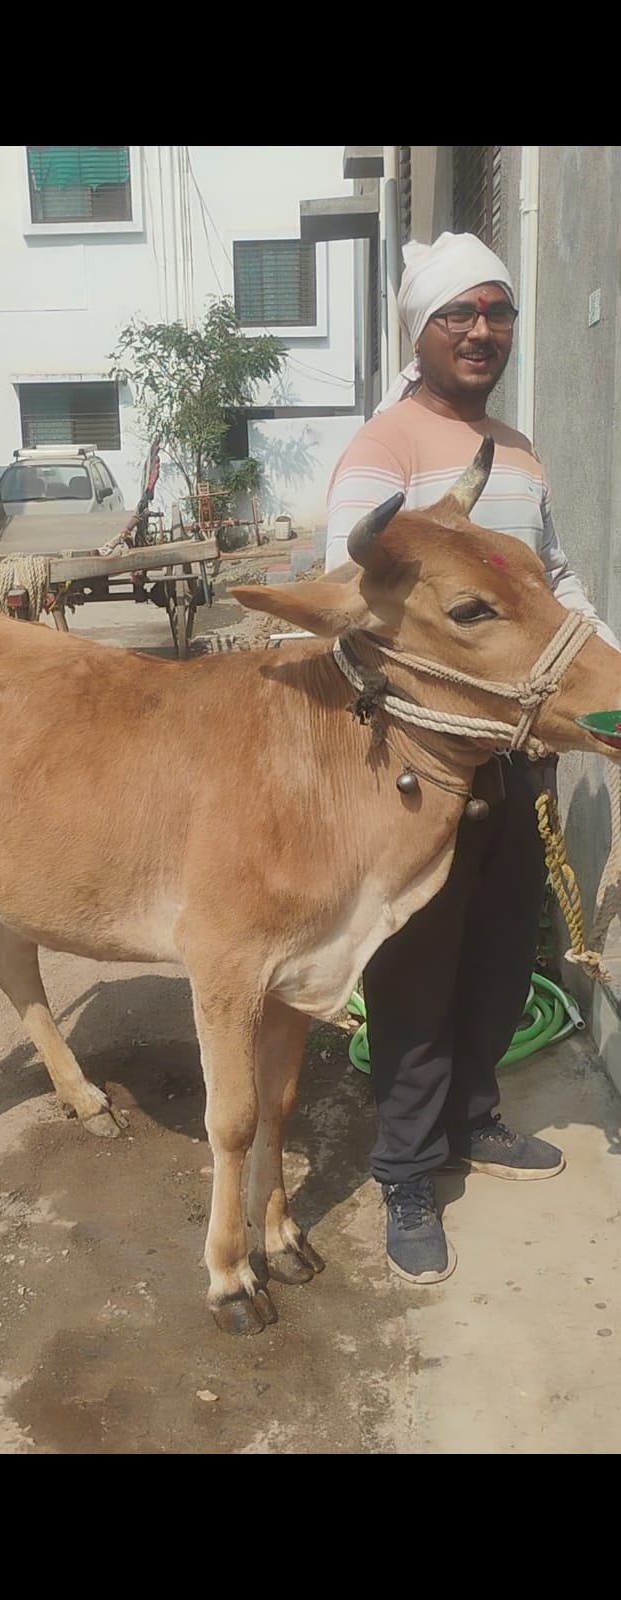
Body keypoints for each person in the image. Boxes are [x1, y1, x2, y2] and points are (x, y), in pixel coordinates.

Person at [325, 231, 618, 1286]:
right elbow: (351, 604)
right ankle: (408, 1168)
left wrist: (606, 675)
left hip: (519, 752)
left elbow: (555, 579)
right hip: (425, 768)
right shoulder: (388, 449)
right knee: (418, 968)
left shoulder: (520, 448)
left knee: (502, 954)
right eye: (463, 314)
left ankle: (476, 1115)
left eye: (498, 311)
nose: (485, 330)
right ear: (423, 329)